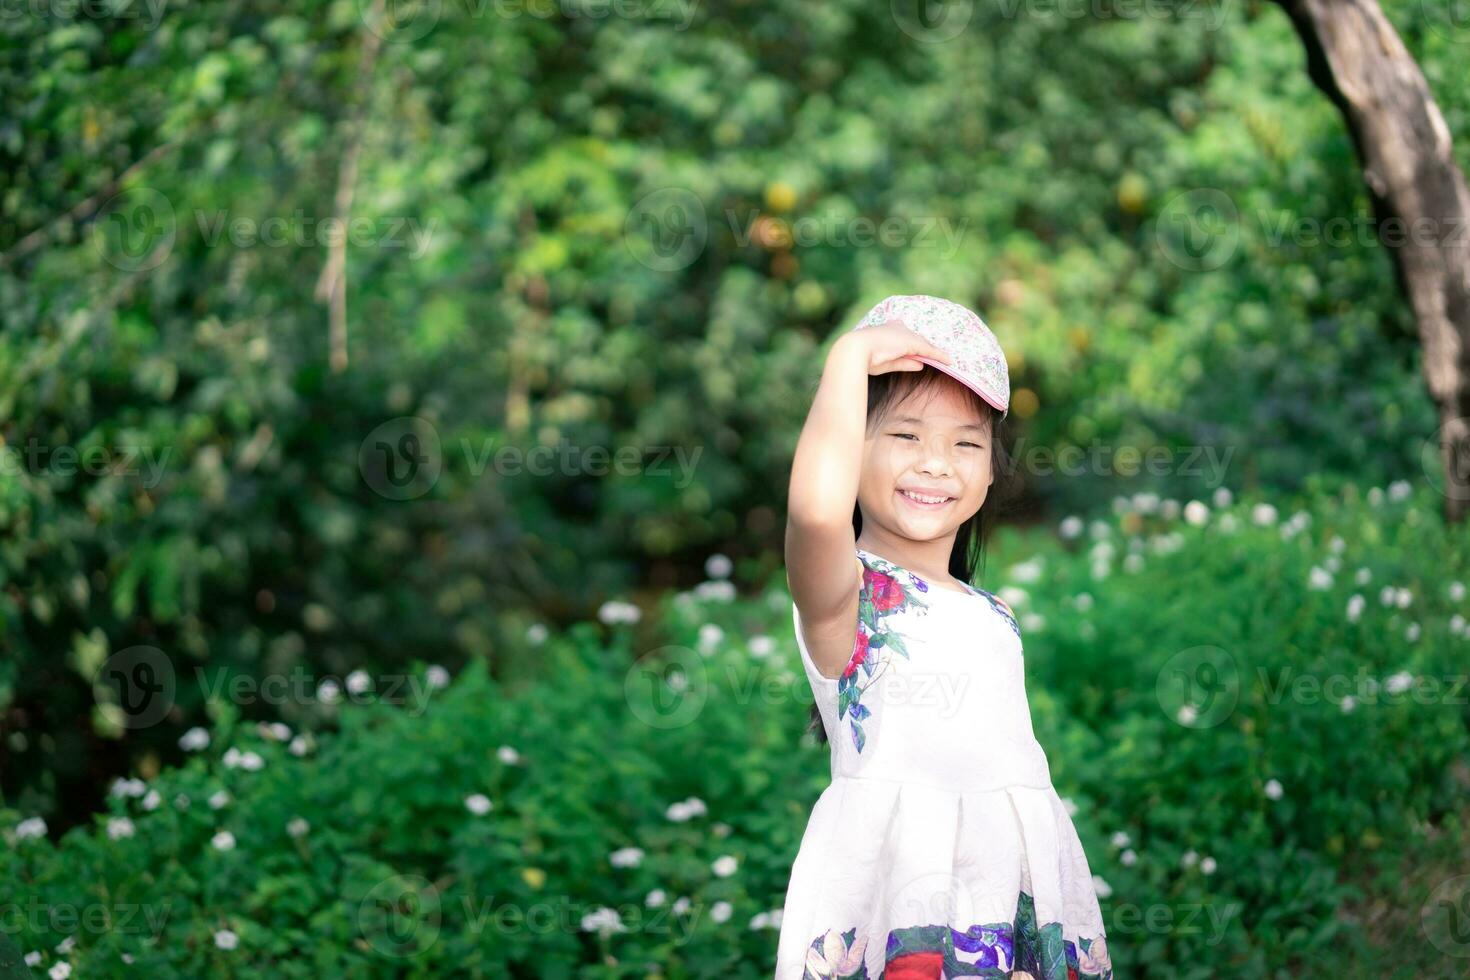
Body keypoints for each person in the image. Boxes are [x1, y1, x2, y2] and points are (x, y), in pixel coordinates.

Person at [775, 295, 1112, 980]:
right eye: (905, 436)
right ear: (853, 450)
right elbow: (814, 514)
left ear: (990, 470)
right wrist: (849, 359)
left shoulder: (995, 615)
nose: (936, 463)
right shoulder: (848, 598)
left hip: (1005, 930)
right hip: (904, 927)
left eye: (965, 443)